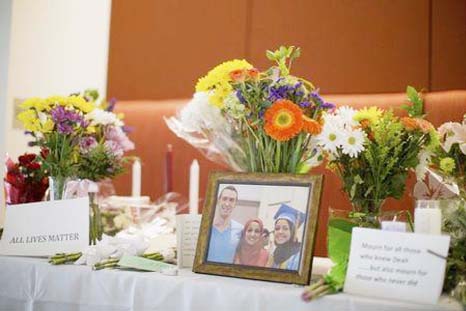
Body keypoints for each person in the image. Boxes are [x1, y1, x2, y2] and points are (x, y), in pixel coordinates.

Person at [207, 186, 243, 263]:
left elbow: (239, 257)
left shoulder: (240, 230)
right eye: (224, 199)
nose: (227, 204)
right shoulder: (205, 226)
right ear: (218, 200)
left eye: (231, 200)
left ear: (235, 204)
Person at [267, 204, 305, 271]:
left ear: (292, 231)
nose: (280, 232)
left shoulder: (299, 255)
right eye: (277, 228)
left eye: (285, 228)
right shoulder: (275, 253)